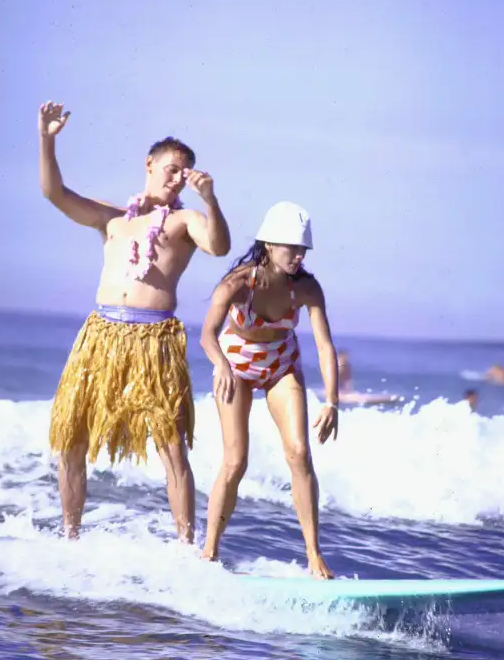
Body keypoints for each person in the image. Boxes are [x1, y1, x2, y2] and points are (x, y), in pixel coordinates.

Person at [39, 101, 231, 541]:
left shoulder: (185, 220)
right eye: (171, 167)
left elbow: (219, 246)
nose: (177, 176)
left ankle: (185, 545)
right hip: (101, 334)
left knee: (171, 448)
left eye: (184, 172)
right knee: (71, 439)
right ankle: (70, 537)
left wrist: (211, 199)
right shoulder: (112, 218)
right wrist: (47, 139)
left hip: (154, 340)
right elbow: (55, 194)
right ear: (149, 164)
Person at [199, 201, 338, 579]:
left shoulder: (306, 288)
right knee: (235, 462)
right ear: (269, 245)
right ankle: (210, 550)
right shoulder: (237, 283)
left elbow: (324, 345)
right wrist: (221, 366)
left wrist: (332, 401)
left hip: (281, 363)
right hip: (235, 365)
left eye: (302, 249)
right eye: (291, 248)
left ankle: (313, 555)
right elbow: (207, 335)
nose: (298, 256)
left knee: (299, 453)